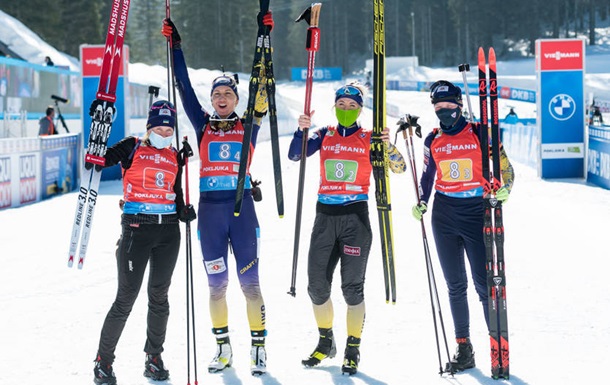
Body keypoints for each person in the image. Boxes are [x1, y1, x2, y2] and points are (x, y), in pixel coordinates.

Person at [161, 13, 273, 376]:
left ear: (236, 99)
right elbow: (182, 84)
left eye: (228, 93)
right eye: (217, 94)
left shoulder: (249, 124)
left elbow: (262, 84)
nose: (222, 98)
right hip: (210, 213)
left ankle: (258, 349)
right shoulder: (202, 122)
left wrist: (264, 35)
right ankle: (223, 347)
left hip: (241, 212)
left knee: (250, 283)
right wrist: (175, 46)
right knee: (216, 285)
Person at [288, 82, 405, 376]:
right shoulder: (323, 134)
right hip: (325, 216)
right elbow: (294, 155)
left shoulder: (369, 137)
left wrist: (387, 146)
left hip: (355, 218)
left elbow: (400, 167)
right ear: (334, 106)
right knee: (316, 285)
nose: (346, 110)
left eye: (352, 106)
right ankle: (326, 342)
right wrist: (300, 130)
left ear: (360, 110)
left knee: (352, 289)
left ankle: (353, 349)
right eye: (342, 105)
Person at [411, 80, 515, 372]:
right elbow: (427, 177)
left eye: (449, 105)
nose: (444, 111)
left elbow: (505, 166)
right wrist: (421, 200)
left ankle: (497, 345)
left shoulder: (481, 132)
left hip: (475, 212)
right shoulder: (433, 140)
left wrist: (505, 186)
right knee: (455, 286)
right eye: (439, 107)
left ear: (460, 105)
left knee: (484, 286)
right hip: (444, 214)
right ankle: (464, 348)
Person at [92, 100, 196, 385]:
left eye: (169, 128)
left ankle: (153, 358)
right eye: (160, 127)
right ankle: (103, 362)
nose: (165, 132)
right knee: (126, 298)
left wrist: (184, 210)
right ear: (149, 127)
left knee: (159, 298)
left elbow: (175, 194)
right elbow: (97, 159)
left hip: (168, 233)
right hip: (137, 229)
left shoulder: (174, 155)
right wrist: (98, 128)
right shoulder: (133, 146)